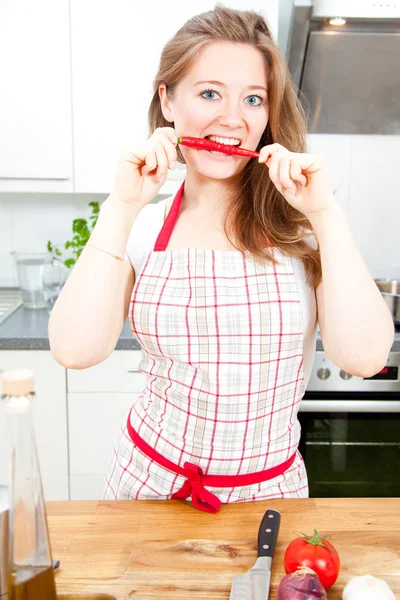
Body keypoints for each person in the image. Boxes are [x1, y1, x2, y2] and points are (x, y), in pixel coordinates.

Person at [49, 4, 394, 512]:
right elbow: (75, 350)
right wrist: (121, 205)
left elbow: (364, 359)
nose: (233, 118)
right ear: (167, 100)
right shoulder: (141, 226)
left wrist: (326, 213)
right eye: (210, 93)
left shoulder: (304, 230)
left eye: (253, 99)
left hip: (270, 499)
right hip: (148, 490)